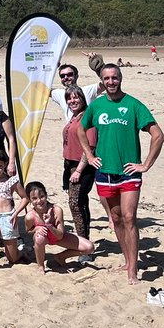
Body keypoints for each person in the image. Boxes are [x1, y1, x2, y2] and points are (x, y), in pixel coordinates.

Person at [74, 64, 164, 284]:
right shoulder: (96, 106)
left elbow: (158, 135)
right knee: (115, 218)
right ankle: (127, 260)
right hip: (104, 172)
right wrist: (89, 154)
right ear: (102, 81)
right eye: (107, 78)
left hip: (129, 173)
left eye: (114, 78)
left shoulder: (133, 105)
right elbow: (80, 129)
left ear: (120, 79)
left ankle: (132, 269)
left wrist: (145, 165)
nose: (111, 82)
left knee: (129, 218)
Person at [24, 181, 94, 274]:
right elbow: (28, 230)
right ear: (30, 200)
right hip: (43, 238)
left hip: (57, 235)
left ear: (46, 195)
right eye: (34, 198)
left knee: (89, 247)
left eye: (42, 196)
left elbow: (60, 235)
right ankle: (40, 265)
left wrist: (49, 225)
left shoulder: (56, 210)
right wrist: (37, 229)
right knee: (39, 238)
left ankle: (60, 257)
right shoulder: (30, 216)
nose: (39, 201)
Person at [63, 86, 97, 241]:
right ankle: (84, 239)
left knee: (76, 203)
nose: (72, 101)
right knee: (81, 203)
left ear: (83, 98)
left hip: (82, 167)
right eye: (69, 98)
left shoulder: (87, 117)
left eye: (76, 97)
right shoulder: (74, 116)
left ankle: (83, 241)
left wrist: (79, 170)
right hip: (70, 165)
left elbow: (90, 146)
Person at [50, 53, 105, 122]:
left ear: (76, 76)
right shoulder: (60, 94)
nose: (66, 77)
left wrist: (99, 68)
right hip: (71, 130)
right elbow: (41, 88)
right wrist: (50, 69)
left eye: (69, 74)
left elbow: (106, 84)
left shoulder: (87, 91)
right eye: (62, 76)